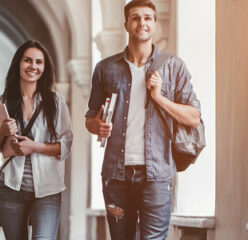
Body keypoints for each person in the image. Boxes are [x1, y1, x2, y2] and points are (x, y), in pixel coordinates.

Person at [85, 1, 201, 239]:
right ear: (126, 24)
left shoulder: (173, 67)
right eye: (136, 18)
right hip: (116, 175)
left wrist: (159, 98)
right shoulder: (105, 69)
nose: (142, 23)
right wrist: (99, 126)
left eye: (148, 18)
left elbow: (193, 117)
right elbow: (89, 119)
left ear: (155, 24)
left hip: (157, 174)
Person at [0, 40, 73, 240]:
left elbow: (65, 146)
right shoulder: (1, 102)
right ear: (18, 64)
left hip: (48, 190)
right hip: (11, 189)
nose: (33, 66)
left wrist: (34, 147)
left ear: (44, 68)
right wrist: (2, 132)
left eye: (39, 62)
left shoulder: (56, 103)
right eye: (28, 60)